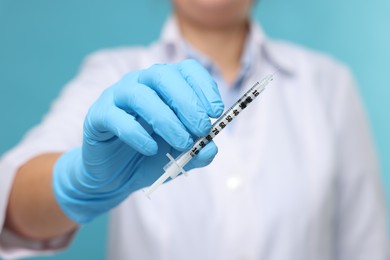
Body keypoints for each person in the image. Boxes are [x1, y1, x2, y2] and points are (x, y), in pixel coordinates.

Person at [0, 0, 389, 259]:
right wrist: (80, 184)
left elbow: (367, 245)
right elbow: (11, 203)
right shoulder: (113, 73)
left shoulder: (328, 83)